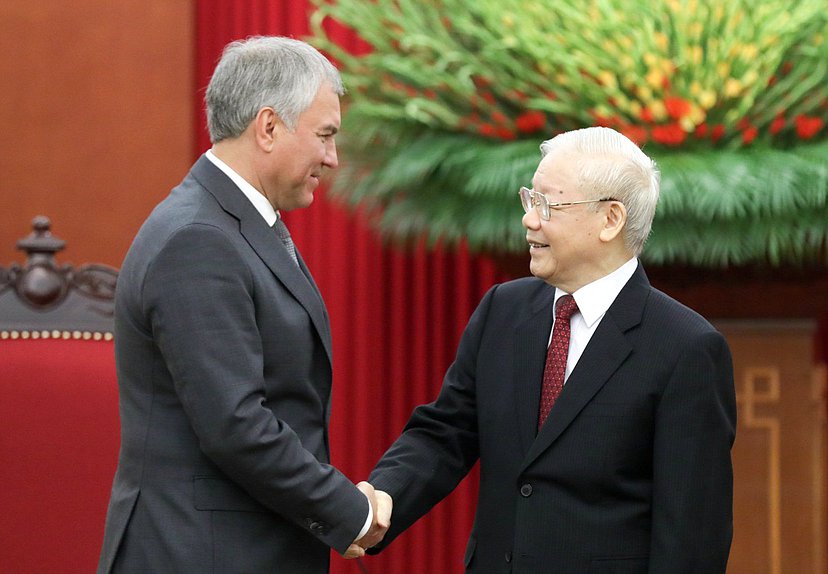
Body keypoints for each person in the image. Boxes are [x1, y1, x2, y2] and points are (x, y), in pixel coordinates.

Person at [364, 126, 736, 573]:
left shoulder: (685, 348)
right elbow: (445, 432)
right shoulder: (504, 310)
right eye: (529, 199)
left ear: (610, 219)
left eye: (548, 205)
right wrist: (381, 498)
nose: (529, 220)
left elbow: (690, 542)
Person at [97, 36, 390, 573]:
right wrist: (348, 511)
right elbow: (235, 426)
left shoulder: (235, 219)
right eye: (325, 135)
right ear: (269, 126)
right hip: (200, 553)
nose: (333, 157)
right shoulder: (198, 237)